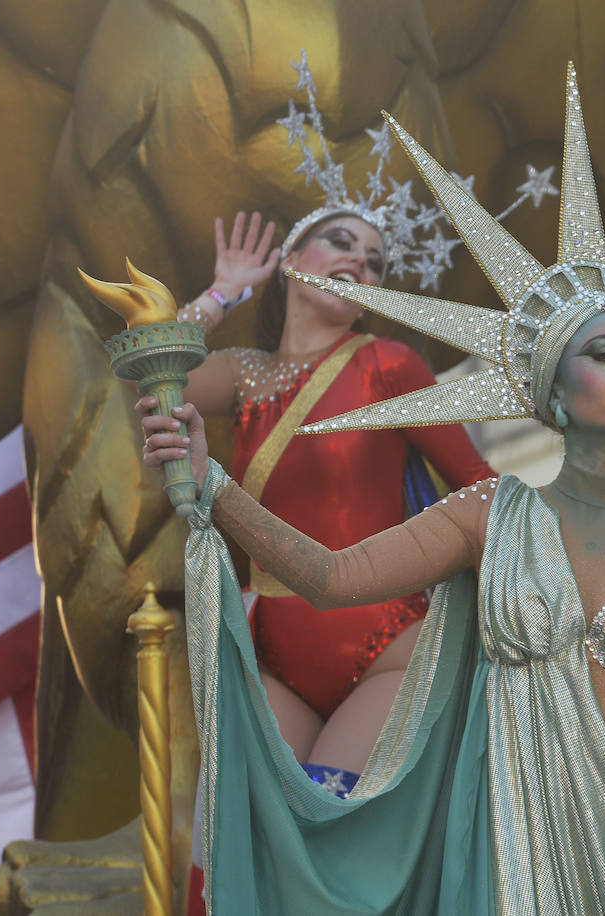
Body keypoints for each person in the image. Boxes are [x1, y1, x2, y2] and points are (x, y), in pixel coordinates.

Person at [140, 63, 605, 915]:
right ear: (553, 393)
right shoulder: (490, 516)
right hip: (512, 843)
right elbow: (329, 577)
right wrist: (215, 482)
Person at [164, 207, 493, 787]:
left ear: (370, 299)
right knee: (269, 847)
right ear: (290, 262)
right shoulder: (244, 374)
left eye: (374, 263)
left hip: (386, 643)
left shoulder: (388, 365)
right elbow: (156, 379)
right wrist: (226, 291)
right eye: (339, 242)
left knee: (332, 826)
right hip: (270, 650)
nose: (359, 263)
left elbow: (479, 488)